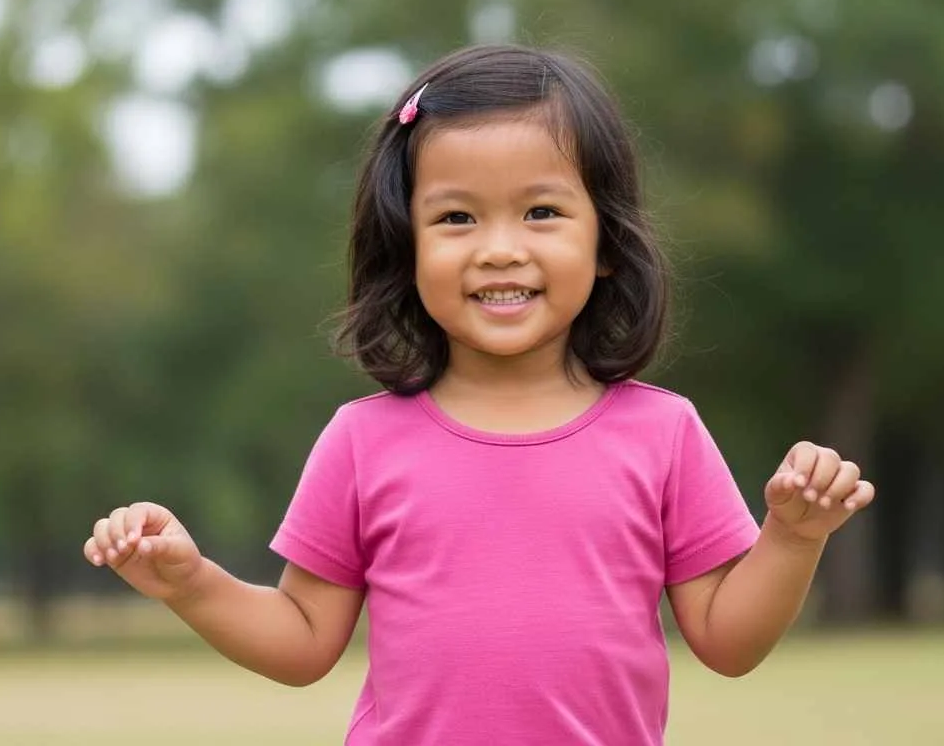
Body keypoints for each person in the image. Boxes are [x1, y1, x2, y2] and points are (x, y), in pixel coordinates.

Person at [82, 44, 876, 745]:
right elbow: (301, 642)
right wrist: (191, 584)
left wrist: (794, 538)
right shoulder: (362, 441)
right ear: (408, 247)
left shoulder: (662, 433)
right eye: (457, 217)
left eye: (541, 212)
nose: (500, 250)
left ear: (604, 243)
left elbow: (727, 643)